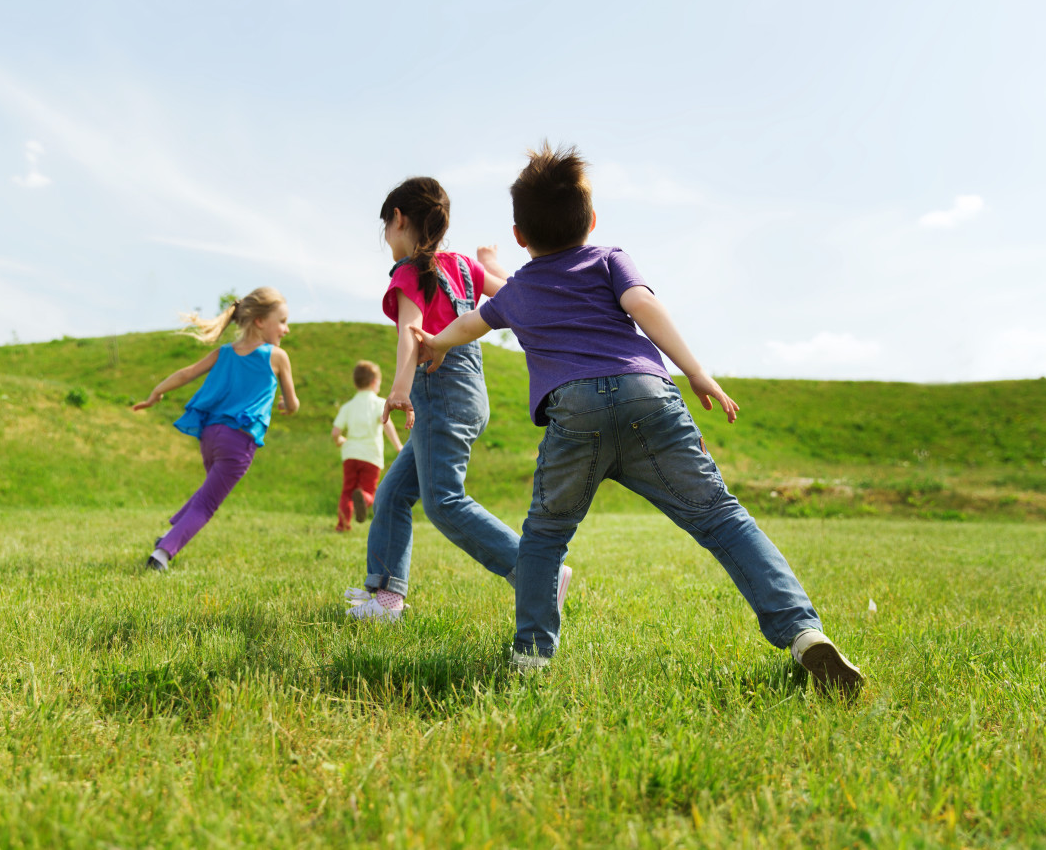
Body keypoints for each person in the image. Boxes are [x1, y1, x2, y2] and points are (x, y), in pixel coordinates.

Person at [413, 144, 863, 695]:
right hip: (648, 396)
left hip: (573, 411)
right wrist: (695, 371)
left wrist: (434, 344)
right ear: (592, 221)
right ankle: (803, 633)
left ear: (520, 235)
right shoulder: (608, 259)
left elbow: (471, 325)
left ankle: (532, 657)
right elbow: (645, 308)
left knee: (544, 538)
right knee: (722, 519)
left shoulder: (520, 289)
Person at [345, 176, 571, 622]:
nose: (387, 239)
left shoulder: (411, 272)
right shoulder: (464, 266)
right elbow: (513, 295)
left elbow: (411, 336)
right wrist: (494, 264)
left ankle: (540, 574)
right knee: (392, 494)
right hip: (469, 395)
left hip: (438, 393)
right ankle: (386, 599)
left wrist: (398, 389)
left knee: (444, 500)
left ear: (399, 219)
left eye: (385, 229)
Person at [132, 287, 299, 571]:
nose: (286, 329)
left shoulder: (224, 353)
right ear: (260, 321)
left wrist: (155, 394)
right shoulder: (277, 357)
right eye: (282, 321)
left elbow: (186, 373)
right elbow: (293, 403)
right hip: (239, 442)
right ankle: (162, 553)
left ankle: (171, 533)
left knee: (208, 490)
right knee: (208, 503)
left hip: (210, 435)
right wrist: (287, 406)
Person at [331, 360, 403, 532]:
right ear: (374, 382)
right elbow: (386, 424)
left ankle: (343, 524)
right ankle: (363, 498)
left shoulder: (348, 406)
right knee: (369, 490)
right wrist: (399, 446)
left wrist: (340, 440)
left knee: (347, 490)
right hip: (371, 456)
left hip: (350, 454)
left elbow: (335, 432)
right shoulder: (379, 404)